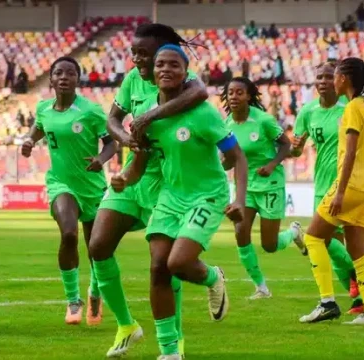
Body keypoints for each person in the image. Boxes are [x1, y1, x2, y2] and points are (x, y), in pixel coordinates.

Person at [111, 44, 248, 360]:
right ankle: (169, 352)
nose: (165, 69)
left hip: (207, 195)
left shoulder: (202, 114)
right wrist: (123, 179)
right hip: (170, 197)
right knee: (158, 267)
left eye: (174, 64)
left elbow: (237, 155)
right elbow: (139, 164)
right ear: (153, 70)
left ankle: (214, 277)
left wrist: (239, 200)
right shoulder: (146, 114)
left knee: (178, 263)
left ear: (186, 72)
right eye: (160, 64)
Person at [87, 23, 208, 358]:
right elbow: (113, 119)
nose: (138, 59)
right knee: (98, 246)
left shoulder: (185, 79)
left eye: (146, 53)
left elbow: (200, 94)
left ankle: (174, 341)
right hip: (132, 174)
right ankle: (126, 326)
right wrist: (126, 138)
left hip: (167, 182)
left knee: (162, 265)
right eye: (135, 52)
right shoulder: (131, 80)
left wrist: (148, 117)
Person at [21, 57, 116, 326]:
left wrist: (101, 159)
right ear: (50, 79)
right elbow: (38, 129)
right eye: (58, 73)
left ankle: (95, 292)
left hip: (92, 187)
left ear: (78, 79)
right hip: (60, 184)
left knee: (96, 248)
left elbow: (111, 144)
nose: (64, 77)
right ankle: (73, 299)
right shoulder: (43, 109)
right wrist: (29, 141)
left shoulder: (91, 111)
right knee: (68, 233)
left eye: (70, 73)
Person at [299, 57, 364, 325]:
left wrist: (339, 192)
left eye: (336, 75)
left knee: (313, 239)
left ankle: (327, 303)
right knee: (358, 249)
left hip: (351, 185)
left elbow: (350, 152)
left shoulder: (351, 108)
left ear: (345, 79)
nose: (333, 80)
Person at [221, 77, 304, 299]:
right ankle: (261, 287)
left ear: (248, 96)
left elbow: (286, 145)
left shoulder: (264, 121)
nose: (234, 96)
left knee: (270, 245)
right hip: (245, 187)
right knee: (240, 232)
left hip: (270, 186)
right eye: (231, 93)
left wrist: (271, 164)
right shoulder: (226, 125)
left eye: (239, 92)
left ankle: (294, 232)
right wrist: (221, 165)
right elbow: (231, 159)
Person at [292, 62, 364, 315]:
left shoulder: (350, 107)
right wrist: (295, 146)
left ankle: (348, 289)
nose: (322, 81)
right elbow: (295, 149)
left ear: (338, 80)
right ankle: (359, 296)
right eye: (318, 77)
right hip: (322, 185)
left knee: (321, 239)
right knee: (331, 246)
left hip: (347, 184)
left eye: (327, 77)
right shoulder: (308, 111)